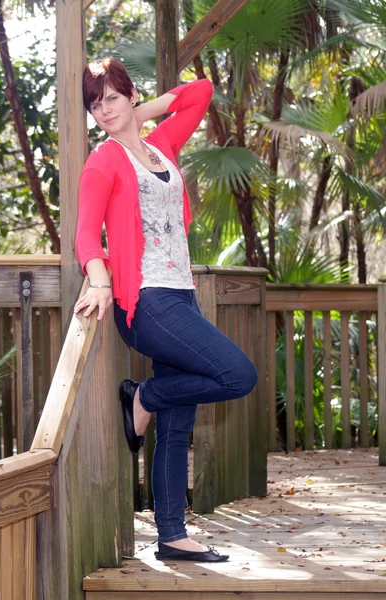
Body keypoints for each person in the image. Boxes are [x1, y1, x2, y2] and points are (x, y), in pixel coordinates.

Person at [74, 57, 258, 563]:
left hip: (181, 293)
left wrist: (138, 113)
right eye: (95, 104)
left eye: (112, 97)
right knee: (238, 375)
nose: (103, 110)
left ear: (130, 96)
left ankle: (172, 536)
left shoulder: (161, 147)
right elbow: (87, 234)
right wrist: (99, 279)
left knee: (178, 425)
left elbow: (199, 91)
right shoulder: (103, 161)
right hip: (145, 302)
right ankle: (145, 396)